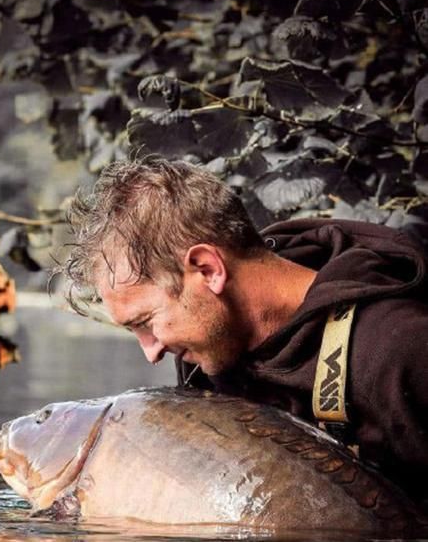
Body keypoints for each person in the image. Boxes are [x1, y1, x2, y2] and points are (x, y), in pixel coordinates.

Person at [64, 157, 428, 501]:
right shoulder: (207, 359)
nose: (151, 351)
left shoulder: (402, 350)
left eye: (146, 322)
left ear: (208, 269)